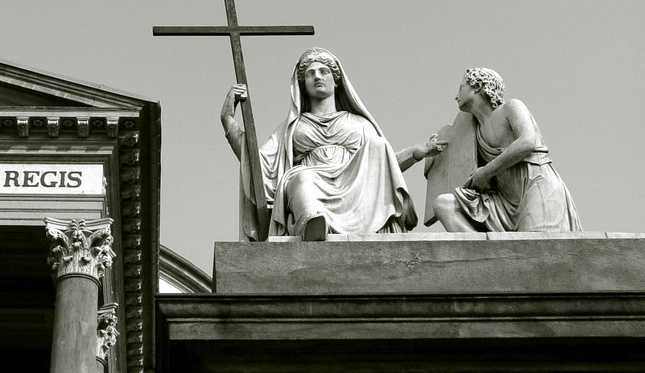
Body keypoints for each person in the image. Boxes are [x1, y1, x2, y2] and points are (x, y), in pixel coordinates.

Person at [221, 47, 424, 240]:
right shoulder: (293, 127)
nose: (317, 76)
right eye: (310, 73)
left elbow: (382, 166)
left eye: (323, 71)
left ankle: (344, 222)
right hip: (310, 184)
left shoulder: (359, 124)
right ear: (303, 83)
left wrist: (415, 153)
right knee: (302, 176)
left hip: (355, 188)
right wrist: (228, 121)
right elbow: (257, 166)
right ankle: (312, 224)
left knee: (379, 145)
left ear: (336, 80)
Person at [433, 68, 581, 233]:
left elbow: (528, 141)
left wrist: (486, 172)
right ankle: (485, 254)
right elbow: (463, 168)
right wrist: (434, 150)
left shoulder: (511, 107)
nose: (456, 96)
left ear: (478, 86)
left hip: (535, 185)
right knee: (444, 205)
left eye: (461, 88)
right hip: (503, 201)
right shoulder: (474, 132)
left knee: (535, 247)